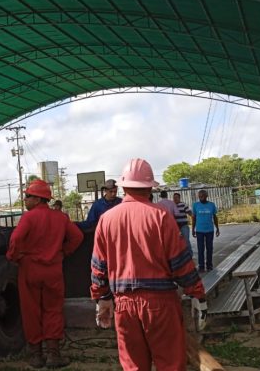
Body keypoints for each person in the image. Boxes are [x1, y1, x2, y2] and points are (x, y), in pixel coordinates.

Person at [90, 158, 205, 371]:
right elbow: (181, 262)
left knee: (133, 366)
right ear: (150, 187)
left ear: (123, 186)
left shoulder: (106, 220)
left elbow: (99, 266)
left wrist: (102, 298)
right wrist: (197, 293)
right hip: (160, 304)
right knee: (170, 363)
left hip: (124, 305)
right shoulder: (161, 217)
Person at [6, 180, 84, 368]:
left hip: (30, 268)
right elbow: (78, 237)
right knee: (53, 310)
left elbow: (16, 238)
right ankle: (53, 355)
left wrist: (14, 256)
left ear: (38, 198)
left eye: (27, 196)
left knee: (31, 311)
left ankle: (36, 356)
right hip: (54, 270)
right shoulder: (61, 217)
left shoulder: (29, 217)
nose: (24, 199)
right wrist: (64, 252)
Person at [192, 190, 220, 272]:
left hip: (209, 230)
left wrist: (217, 228)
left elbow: (215, 217)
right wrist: (193, 229)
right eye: (200, 196)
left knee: (209, 248)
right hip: (199, 230)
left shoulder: (211, 205)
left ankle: (209, 265)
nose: (201, 198)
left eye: (203, 196)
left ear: (206, 196)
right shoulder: (195, 205)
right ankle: (201, 266)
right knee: (200, 249)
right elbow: (194, 218)